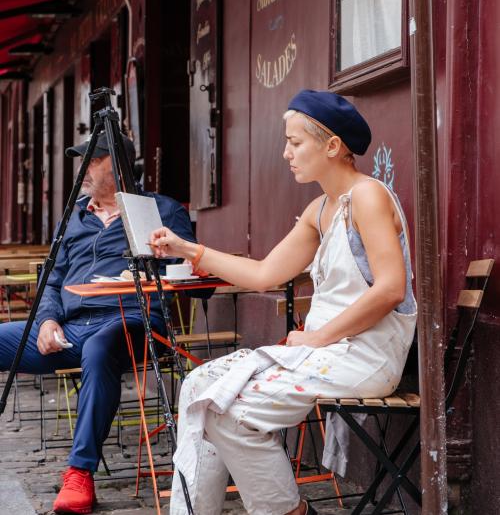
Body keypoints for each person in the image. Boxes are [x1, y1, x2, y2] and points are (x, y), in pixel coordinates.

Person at [149, 90, 417, 515]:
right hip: (327, 351)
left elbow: (390, 289)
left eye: (296, 142)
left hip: (365, 355)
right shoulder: (321, 208)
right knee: (199, 387)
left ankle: (290, 512)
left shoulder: (368, 197)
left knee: (227, 413)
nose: (286, 152)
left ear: (331, 146)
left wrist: (317, 337)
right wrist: (189, 250)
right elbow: (264, 274)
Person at [0, 131, 198, 514]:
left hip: (135, 324)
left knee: (100, 347)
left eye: (93, 159)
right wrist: (46, 321)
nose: (84, 169)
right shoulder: (74, 216)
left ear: (119, 165)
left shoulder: (161, 210)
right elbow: (52, 279)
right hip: (71, 328)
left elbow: (190, 275)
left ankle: (80, 473)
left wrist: (167, 258)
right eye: (84, 160)